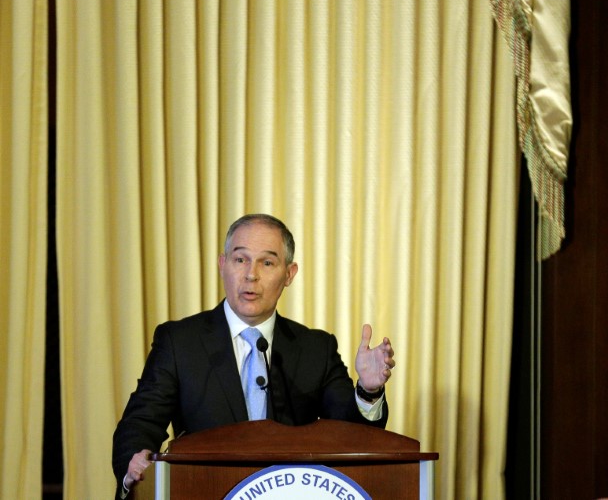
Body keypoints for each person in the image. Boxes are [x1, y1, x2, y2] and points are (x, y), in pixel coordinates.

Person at [111, 214, 395, 499]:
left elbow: (349, 437)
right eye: (240, 260)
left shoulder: (316, 348)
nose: (251, 274)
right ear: (222, 265)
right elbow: (141, 423)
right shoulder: (179, 342)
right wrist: (135, 465)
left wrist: (368, 391)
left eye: (267, 262)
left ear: (289, 274)